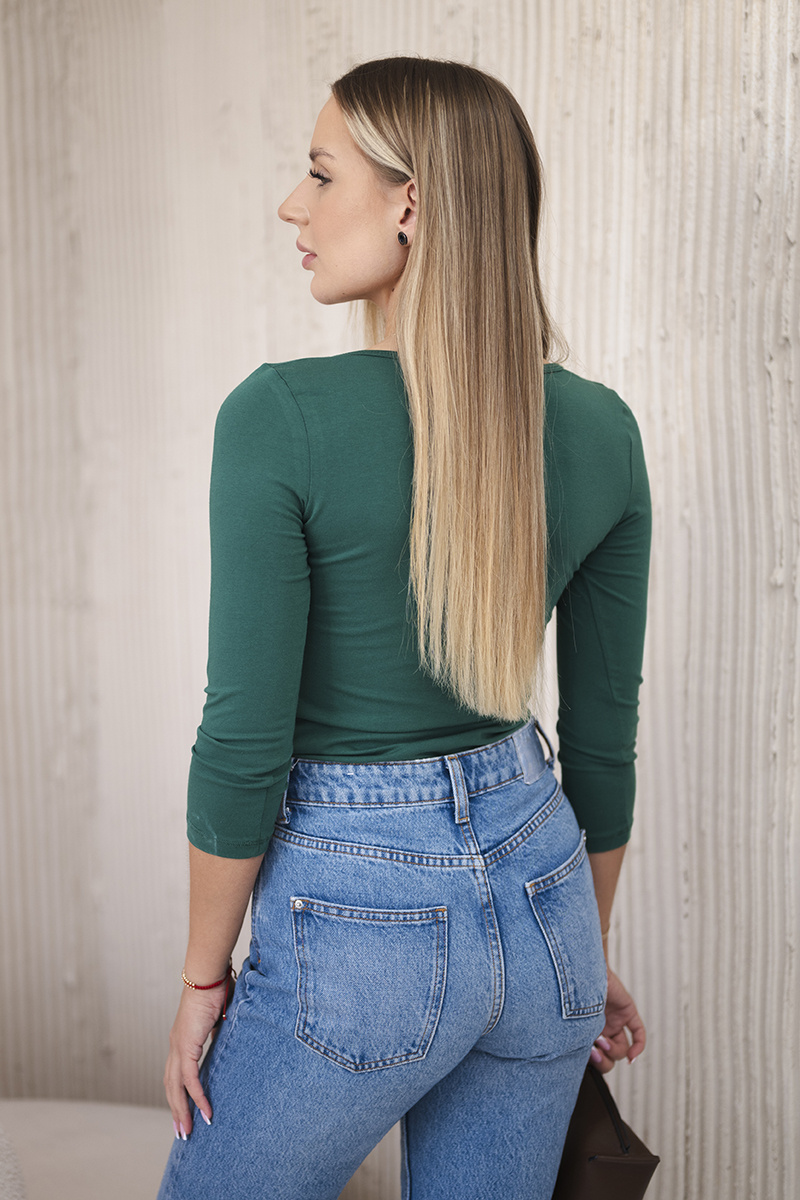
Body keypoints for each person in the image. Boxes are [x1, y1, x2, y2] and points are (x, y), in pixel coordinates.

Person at [158, 55, 650, 1200]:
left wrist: (200, 983)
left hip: (359, 919)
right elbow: (604, 743)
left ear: (409, 205)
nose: (293, 205)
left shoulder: (278, 418)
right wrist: (580, 953)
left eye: (320, 173)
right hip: (545, 905)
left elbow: (242, 741)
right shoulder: (601, 431)